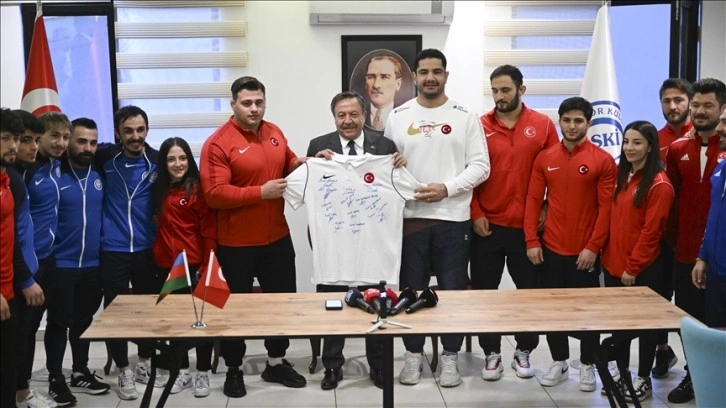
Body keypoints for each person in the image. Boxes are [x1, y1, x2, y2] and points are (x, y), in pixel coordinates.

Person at [385, 48, 490, 388]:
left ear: (446, 75)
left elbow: (481, 166)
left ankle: (450, 358)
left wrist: (447, 188)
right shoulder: (398, 115)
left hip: (453, 218)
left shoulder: (465, 116)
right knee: (411, 291)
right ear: (414, 76)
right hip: (410, 218)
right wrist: (394, 166)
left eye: (437, 71)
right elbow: (385, 167)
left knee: (452, 291)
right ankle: (412, 356)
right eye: (424, 72)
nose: (430, 77)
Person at [200, 76, 307, 398]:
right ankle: (234, 368)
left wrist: (300, 163)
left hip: (277, 238)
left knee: (281, 304)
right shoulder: (218, 143)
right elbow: (214, 194)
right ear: (233, 104)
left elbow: (287, 161)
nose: (254, 109)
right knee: (235, 310)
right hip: (236, 245)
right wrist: (260, 192)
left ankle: (276, 362)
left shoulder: (274, 132)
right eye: (247, 103)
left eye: (259, 102)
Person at [303, 91, 405, 390]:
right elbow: (304, 181)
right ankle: (332, 367)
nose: (347, 121)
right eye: (341, 115)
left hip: (373, 243)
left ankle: (379, 366)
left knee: (375, 304)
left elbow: (398, 185)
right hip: (333, 244)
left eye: (353, 114)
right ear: (334, 117)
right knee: (333, 306)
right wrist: (308, 163)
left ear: (365, 115)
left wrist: (401, 165)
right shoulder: (319, 146)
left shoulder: (384, 146)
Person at [470, 64, 558, 381]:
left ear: (521, 89)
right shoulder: (479, 125)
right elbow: (469, 172)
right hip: (488, 227)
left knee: (529, 294)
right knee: (485, 293)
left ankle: (524, 350)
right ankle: (491, 353)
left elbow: (556, 171)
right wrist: (475, 212)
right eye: (495, 90)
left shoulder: (543, 125)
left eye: (505, 90)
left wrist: (546, 206)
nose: (499, 96)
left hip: (527, 228)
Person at [524, 97, 616, 392]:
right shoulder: (545, 157)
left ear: (589, 123)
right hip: (550, 248)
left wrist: (593, 247)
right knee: (553, 311)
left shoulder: (602, 160)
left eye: (578, 120)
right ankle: (560, 361)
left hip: (584, 253)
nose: (572, 126)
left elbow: (606, 208)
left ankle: (587, 364)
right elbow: (533, 200)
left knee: (586, 312)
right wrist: (531, 240)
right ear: (559, 121)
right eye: (567, 120)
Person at [601, 120, 675, 403]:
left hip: (643, 269)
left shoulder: (659, 185)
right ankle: (623, 373)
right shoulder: (623, 177)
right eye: (626, 141)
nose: (629, 148)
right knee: (619, 325)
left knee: (645, 327)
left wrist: (632, 267)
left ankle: (643, 377)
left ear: (650, 147)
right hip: (614, 265)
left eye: (637, 142)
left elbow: (651, 233)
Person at [664, 78, 726, 404]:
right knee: (689, 321)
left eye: (708, 106)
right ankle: (694, 376)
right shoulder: (678, 149)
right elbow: (670, 200)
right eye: (697, 105)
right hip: (687, 253)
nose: (700, 111)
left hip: (720, 256)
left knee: (719, 324)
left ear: (722, 109)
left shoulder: (725, 149)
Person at [95, 105, 161, 400]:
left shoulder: (158, 160)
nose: (136, 136)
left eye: (140, 130)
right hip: (113, 249)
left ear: (147, 130)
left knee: (148, 308)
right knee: (116, 313)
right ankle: (123, 370)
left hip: (147, 249)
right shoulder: (104, 159)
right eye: (128, 131)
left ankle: (144, 362)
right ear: (117, 134)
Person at [45, 118, 111, 404]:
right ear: (68, 141)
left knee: (84, 321)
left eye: (93, 143)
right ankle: (55, 378)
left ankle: (80, 371)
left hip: (93, 265)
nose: (87, 148)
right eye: (81, 141)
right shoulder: (54, 174)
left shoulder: (100, 172)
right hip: (61, 264)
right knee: (59, 323)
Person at [152, 137, 216, 398]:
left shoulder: (197, 190)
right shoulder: (159, 190)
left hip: (194, 265)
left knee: (201, 322)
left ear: (189, 160)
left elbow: (209, 230)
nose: (177, 164)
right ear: (163, 163)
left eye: (182, 158)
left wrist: (206, 263)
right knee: (176, 323)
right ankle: (182, 371)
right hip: (166, 266)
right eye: (171, 159)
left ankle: (202, 373)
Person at [19, 111, 70, 407]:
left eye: (65, 137)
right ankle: (21, 390)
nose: (61, 143)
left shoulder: (57, 165)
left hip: (51, 259)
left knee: (57, 322)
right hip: (28, 263)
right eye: (54, 136)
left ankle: (52, 378)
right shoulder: (26, 169)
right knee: (25, 332)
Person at [652, 78, 693, 379]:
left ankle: (697, 364)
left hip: (692, 238)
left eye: (678, 100)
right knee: (658, 298)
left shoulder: (704, 137)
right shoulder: (654, 139)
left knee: (691, 306)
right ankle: (663, 351)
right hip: (661, 236)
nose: (673, 106)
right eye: (667, 101)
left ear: (689, 102)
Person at [691, 104, 726, 328]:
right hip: (716, 274)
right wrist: (702, 257)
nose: (719, 128)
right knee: (716, 337)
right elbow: (713, 217)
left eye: (725, 122)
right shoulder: (720, 170)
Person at [2, 108, 23, 408]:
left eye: (16, 138)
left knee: (7, 369)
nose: (14, 146)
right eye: (5, 138)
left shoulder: (7, 180)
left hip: (9, 290)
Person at [364, 55, 403, 131]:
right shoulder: (356, 117)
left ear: (398, 84)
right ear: (365, 83)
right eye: (371, 77)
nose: (376, 85)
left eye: (384, 77)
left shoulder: (405, 117)